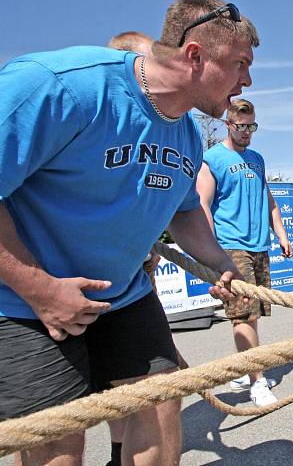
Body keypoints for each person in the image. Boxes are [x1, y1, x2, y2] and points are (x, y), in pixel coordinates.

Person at [0, 0, 258, 466]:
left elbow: (183, 212)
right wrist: (41, 290)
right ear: (195, 56)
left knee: (161, 406)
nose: (247, 80)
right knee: (59, 443)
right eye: (240, 63)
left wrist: (221, 262)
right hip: (22, 301)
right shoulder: (59, 87)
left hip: (123, 294)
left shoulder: (183, 129)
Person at [196, 97, 293, 407]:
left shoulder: (257, 159)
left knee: (255, 315)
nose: (247, 132)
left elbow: (269, 201)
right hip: (231, 247)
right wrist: (212, 251)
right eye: (241, 126)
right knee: (242, 317)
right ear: (228, 125)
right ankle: (257, 381)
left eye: (252, 126)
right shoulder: (212, 158)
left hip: (259, 246)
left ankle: (245, 365)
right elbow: (202, 206)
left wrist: (281, 233)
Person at [104, 29, 161, 466]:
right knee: (60, 424)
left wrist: (147, 242)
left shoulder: (159, 128)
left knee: (156, 391)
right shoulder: (94, 113)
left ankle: (119, 455)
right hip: (48, 290)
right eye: (148, 63)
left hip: (130, 284)